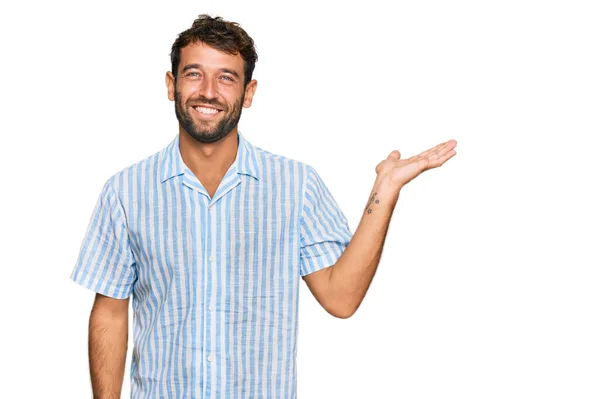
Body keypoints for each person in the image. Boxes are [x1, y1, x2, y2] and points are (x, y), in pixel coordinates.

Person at [70, 14, 457, 399]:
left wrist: (384, 190)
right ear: (171, 85)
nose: (208, 91)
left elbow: (341, 298)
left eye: (226, 77)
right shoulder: (125, 192)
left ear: (249, 92)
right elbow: (110, 311)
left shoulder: (296, 186)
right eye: (193, 74)